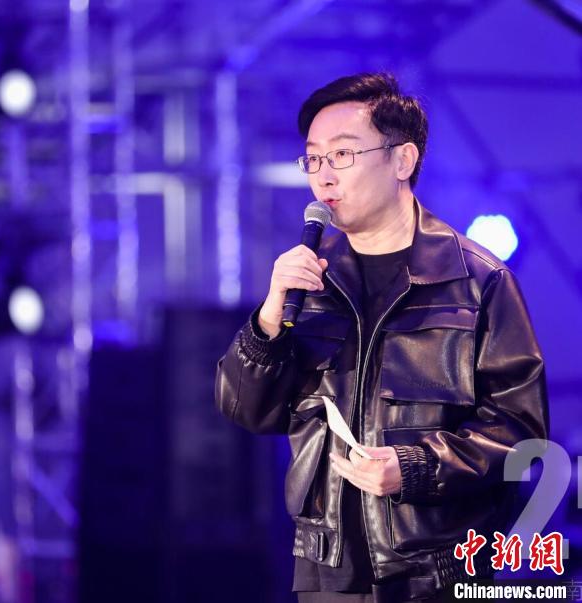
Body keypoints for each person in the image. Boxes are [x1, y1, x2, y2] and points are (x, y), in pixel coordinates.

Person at [214, 73, 549, 603]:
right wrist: (268, 323)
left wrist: (416, 468)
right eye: (313, 159)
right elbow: (247, 410)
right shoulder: (309, 282)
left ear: (402, 160)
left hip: (437, 573)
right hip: (325, 572)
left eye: (342, 154)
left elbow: (520, 433)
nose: (324, 176)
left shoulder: (477, 280)